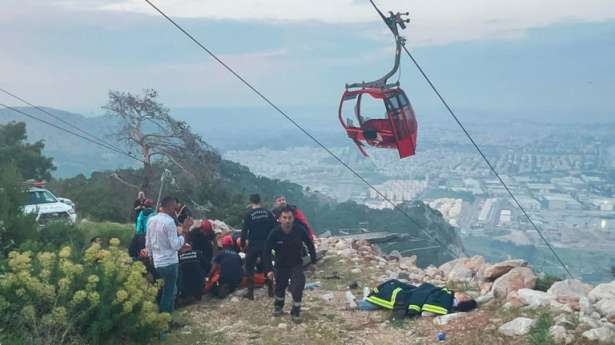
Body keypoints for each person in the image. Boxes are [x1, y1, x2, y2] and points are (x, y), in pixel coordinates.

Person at [263, 206, 317, 322]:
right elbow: (266, 251)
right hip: (280, 265)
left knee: (298, 287)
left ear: (293, 218)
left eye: (290, 218)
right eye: (285, 218)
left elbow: (310, 244)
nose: (287, 220)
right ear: (280, 219)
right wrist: (269, 269)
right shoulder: (274, 233)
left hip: (296, 265)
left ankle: (296, 311)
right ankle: (278, 306)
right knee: (280, 287)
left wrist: (313, 261)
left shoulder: (299, 230)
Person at [145, 196, 193, 313]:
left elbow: (148, 242)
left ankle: (166, 316)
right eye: (175, 207)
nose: (176, 211)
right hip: (170, 262)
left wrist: (151, 257)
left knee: (165, 290)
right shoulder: (169, 221)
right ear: (171, 207)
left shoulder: (151, 220)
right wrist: (185, 231)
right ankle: (164, 320)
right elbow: (176, 245)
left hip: (157, 262)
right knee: (169, 292)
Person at [363, 279, 478, 320]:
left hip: (408, 298)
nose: (464, 294)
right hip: (416, 292)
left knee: (389, 295)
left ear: (462, 302)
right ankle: (367, 298)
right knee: (395, 287)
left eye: (467, 297)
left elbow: (426, 313)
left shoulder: (445, 302)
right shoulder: (448, 295)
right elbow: (429, 290)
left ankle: (358, 304)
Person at [241, 193, 277, 300]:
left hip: (253, 244)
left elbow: (244, 232)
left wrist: (243, 244)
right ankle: (271, 290)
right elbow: (275, 228)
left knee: (249, 267)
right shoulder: (268, 213)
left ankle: (250, 293)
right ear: (260, 201)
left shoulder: (249, 214)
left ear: (251, 202)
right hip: (266, 244)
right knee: (268, 266)